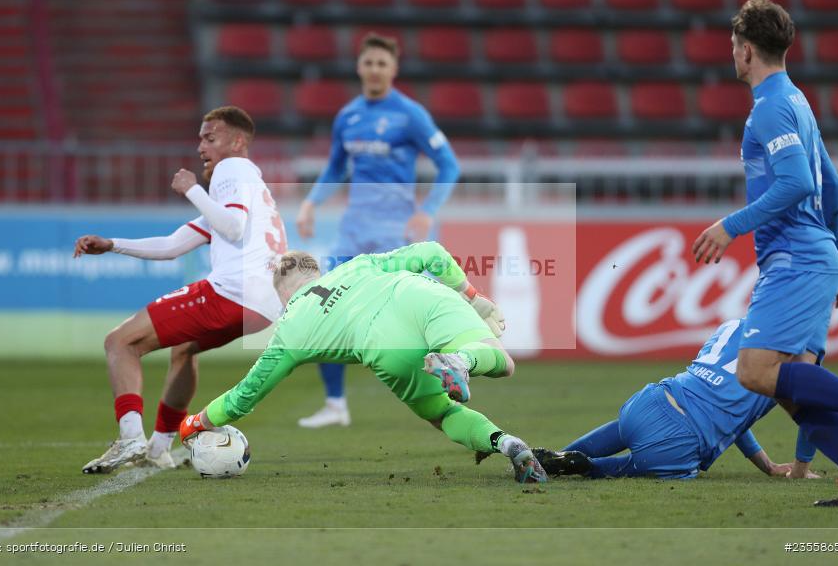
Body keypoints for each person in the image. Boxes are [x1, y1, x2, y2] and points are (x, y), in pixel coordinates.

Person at [178, 242, 547, 483]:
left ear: (283, 293)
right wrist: (474, 297)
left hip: (384, 346)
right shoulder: (356, 266)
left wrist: (194, 423)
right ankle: (462, 361)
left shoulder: (289, 329)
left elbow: (246, 396)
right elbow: (432, 253)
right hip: (419, 296)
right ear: (315, 273)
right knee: (500, 361)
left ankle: (505, 443)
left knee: (442, 412)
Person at [690, 0, 838, 506]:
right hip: (814, 257)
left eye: (733, 48)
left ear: (745, 51)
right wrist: (833, 258)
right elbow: (830, 183)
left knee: (754, 372)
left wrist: (730, 225)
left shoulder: (769, 109)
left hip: (794, 260)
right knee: (791, 389)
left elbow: (796, 182)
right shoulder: (798, 100)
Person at [73, 106, 287, 474]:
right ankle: (159, 447)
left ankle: (130, 439)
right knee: (184, 350)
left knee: (119, 342)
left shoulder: (230, 169)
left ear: (237, 142)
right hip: (264, 306)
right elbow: (173, 245)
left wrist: (192, 190)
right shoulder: (251, 186)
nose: (201, 146)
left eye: (210, 137)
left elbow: (233, 228)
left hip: (232, 293)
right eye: (200, 137)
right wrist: (113, 244)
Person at [294, 33, 461, 429]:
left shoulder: (410, 115)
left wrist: (427, 211)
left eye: (382, 64)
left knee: (417, 316)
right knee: (321, 306)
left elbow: (449, 164)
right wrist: (310, 201)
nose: (374, 70)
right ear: (359, 67)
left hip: (397, 235)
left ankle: (453, 380)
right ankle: (335, 404)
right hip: (354, 234)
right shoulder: (348, 116)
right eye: (368, 63)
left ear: (393, 69)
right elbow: (336, 167)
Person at [533, 319, 819, 480]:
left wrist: (766, 465)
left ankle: (547, 459)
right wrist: (799, 469)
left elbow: (725, 404)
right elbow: (811, 417)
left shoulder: (731, 326)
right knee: (634, 467)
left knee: (624, 427)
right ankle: (587, 466)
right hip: (678, 440)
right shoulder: (797, 360)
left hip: (650, 401)